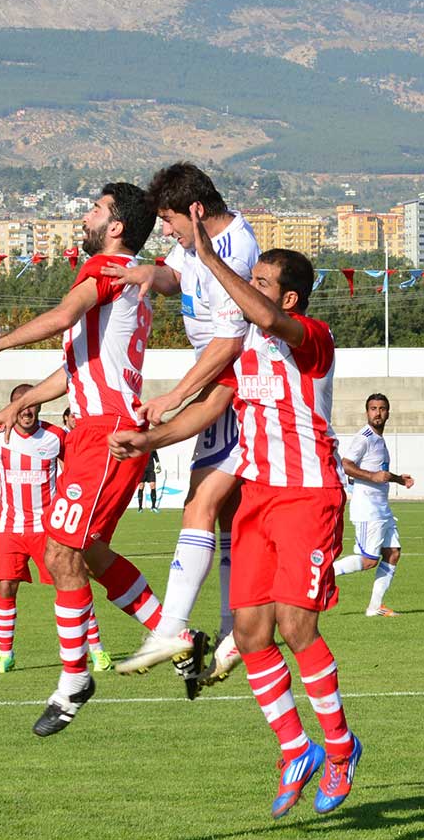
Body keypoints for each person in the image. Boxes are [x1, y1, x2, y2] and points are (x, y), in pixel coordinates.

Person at [109, 211, 362, 818]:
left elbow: (269, 316)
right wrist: (153, 440)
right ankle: (294, 748)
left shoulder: (312, 337)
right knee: (249, 636)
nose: (250, 287)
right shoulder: (245, 351)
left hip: (308, 497)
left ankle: (340, 747)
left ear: (290, 296)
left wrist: (208, 255)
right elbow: (209, 404)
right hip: (255, 501)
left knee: (298, 628)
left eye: (262, 280)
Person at [0, 181, 167, 736]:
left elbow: (60, 314)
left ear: (115, 226)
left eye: (96, 209)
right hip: (95, 431)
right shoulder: (121, 279)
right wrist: (20, 403)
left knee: (60, 551)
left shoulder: (105, 269)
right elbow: (73, 371)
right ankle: (173, 632)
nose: (87, 216)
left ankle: (74, 679)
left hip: (107, 433)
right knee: (86, 552)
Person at [105, 163, 260, 693]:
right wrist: (152, 274)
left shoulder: (235, 251)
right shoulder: (196, 244)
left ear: (195, 211)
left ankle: (172, 628)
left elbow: (228, 344)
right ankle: (229, 630)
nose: (165, 230)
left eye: (169, 220)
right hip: (222, 384)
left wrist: (174, 396)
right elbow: (175, 277)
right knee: (223, 518)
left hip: (235, 388)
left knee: (200, 503)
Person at [0, 384, 112, 674]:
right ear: (12, 408)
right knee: (6, 586)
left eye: (31, 404)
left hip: (49, 529)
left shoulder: (56, 436)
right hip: (10, 527)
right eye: (20, 405)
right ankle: (5, 654)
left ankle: (96, 650)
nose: (27, 410)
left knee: (71, 582)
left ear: (40, 405)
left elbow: (76, 472)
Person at [335, 393, 414, 617]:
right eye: (373, 408)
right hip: (367, 508)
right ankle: (323, 573)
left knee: (393, 553)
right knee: (369, 561)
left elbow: (382, 473)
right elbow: (347, 465)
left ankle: (375, 607)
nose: (377, 413)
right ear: (367, 412)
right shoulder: (365, 437)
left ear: (388, 412)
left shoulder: (379, 439)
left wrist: (400, 479)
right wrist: (371, 476)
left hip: (382, 509)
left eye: (381, 408)